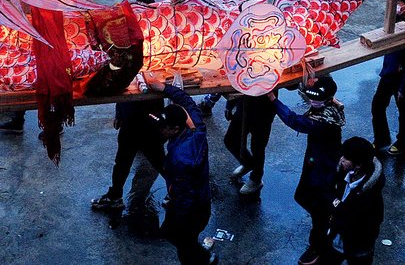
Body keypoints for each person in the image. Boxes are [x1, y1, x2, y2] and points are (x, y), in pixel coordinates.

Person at [270, 76, 345, 264]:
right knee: (303, 197)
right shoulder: (329, 106)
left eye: (317, 99)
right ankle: (326, 220)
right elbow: (309, 92)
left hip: (323, 168)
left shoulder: (323, 121)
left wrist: (273, 100)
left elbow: (294, 120)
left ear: (327, 99)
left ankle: (319, 245)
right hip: (315, 162)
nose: (312, 102)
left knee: (317, 207)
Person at [144, 78, 215, 265]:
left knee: (182, 243)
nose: (160, 131)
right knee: (177, 237)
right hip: (203, 200)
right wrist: (165, 88)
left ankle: (204, 258)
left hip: (191, 209)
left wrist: (179, 218)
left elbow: (185, 196)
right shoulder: (197, 129)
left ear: (176, 129)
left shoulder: (179, 159)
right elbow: (187, 101)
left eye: (164, 128)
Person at [91, 94, 166, 220]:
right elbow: (122, 88)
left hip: (147, 121)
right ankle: (114, 196)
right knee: (124, 161)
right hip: (132, 120)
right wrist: (119, 113)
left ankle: (180, 191)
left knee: (157, 160)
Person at [371, 0, 405, 158]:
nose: (394, 6)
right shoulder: (394, 17)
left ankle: (403, 141)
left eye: (397, 4)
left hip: (403, 76)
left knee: (404, 110)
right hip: (389, 71)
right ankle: (381, 138)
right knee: (377, 106)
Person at [325, 137, 385, 265]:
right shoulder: (342, 173)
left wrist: (337, 208)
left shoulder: (371, 197)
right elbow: (328, 191)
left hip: (358, 248)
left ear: (358, 165)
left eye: (346, 158)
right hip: (336, 240)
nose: (341, 159)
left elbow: (370, 223)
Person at [224, 93, 275, 196]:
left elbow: (291, 85)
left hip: (264, 110)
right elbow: (235, 82)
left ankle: (256, 179)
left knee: (257, 147)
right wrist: (229, 105)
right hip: (243, 107)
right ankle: (248, 163)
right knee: (230, 140)